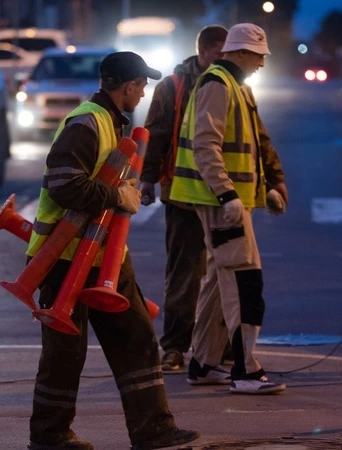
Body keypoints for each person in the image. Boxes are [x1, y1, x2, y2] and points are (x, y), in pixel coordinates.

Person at [25, 51, 199, 450]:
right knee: (65, 354)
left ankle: (153, 430)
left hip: (102, 257)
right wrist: (116, 196)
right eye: (141, 86)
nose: (143, 94)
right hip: (63, 257)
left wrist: (119, 194)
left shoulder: (109, 121)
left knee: (136, 339)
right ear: (128, 86)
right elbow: (65, 185)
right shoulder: (87, 122)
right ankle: (50, 437)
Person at [169, 23, 288, 395]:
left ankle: (204, 363)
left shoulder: (235, 86)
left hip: (226, 201)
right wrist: (226, 195)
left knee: (220, 283)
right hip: (221, 203)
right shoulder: (218, 84)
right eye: (258, 56)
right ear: (241, 52)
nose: (262, 63)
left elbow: (248, 147)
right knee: (243, 281)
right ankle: (245, 371)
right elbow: (206, 145)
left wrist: (263, 191)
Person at [140, 25, 230, 372]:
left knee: (226, 274)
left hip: (223, 196)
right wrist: (147, 180)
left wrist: (273, 181)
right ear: (202, 52)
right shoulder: (172, 86)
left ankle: (220, 346)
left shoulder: (233, 85)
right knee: (184, 274)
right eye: (219, 55)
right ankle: (175, 347)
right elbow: (156, 134)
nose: (224, 61)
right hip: (182, 194)